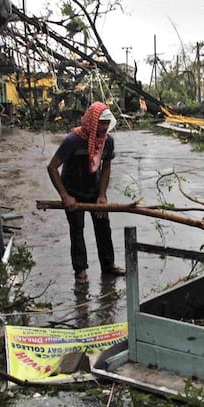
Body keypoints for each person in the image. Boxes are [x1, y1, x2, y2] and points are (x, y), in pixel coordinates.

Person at [47, 101, 125, 284]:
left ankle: (108, 265)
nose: (104, 128)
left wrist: (102, 195)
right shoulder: (72, 141)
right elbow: (52, 168)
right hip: (72, 190)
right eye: (101, 123)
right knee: (77, 229)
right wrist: (65, 196)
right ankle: (80, 270)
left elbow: (106, 168)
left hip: (94, 191)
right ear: (92, 122)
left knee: (103, 227)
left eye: (107, 123)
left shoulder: (108, 142)